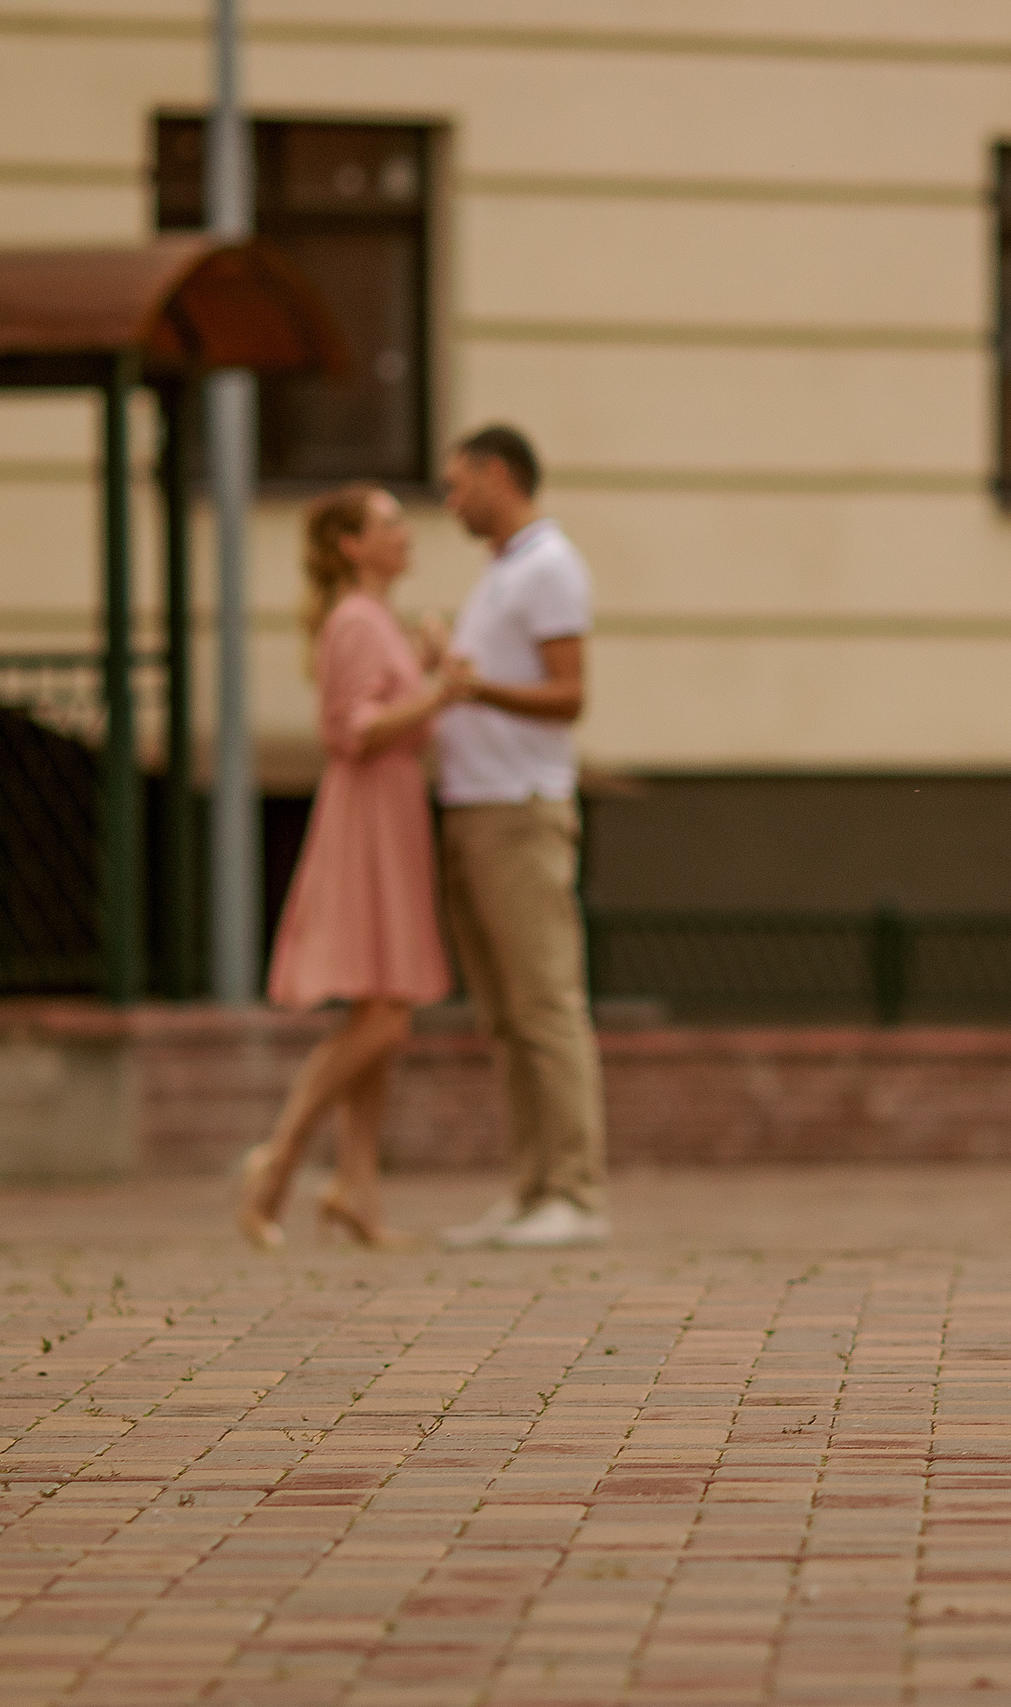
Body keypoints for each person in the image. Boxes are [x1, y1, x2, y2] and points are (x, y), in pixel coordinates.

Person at [242, 485, 468, 1251]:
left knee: (382, 1011)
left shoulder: (375, 623)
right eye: (390, 523)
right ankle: (278, 1161)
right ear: (351, 544)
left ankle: (355, 1189)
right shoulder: (357, 621)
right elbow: (355, 729)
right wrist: (443, 688)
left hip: (388, 812)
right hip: (370, 814)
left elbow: (385, 714)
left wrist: (428, 668)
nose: (407, 533)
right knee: (385, 1014)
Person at [430, 424, 610, 1250]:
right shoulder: (502, 571)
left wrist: (473, 687)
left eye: (459, 481)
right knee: (504, 1013)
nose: (451, 497)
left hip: (520, 806)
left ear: (499, 474)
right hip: (475, 802)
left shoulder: (548, 567)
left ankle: (575, 1190)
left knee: (545, 1005)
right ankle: (532, 1185)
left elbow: (568, 695)